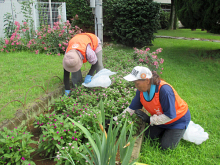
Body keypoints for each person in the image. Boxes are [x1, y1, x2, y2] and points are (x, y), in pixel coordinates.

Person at [120, 66, 191, 150]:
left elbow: (170, 115)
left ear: (147, 81)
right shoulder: (141, 91)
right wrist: (115, 119)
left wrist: (149, 120)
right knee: (147, 136)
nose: (135, 86)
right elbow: (131, 109)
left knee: (166, 147)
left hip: (177, 120)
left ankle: (179, 130)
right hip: (161, 118)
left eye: (137, 83)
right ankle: (165, 131)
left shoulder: (164, 91)